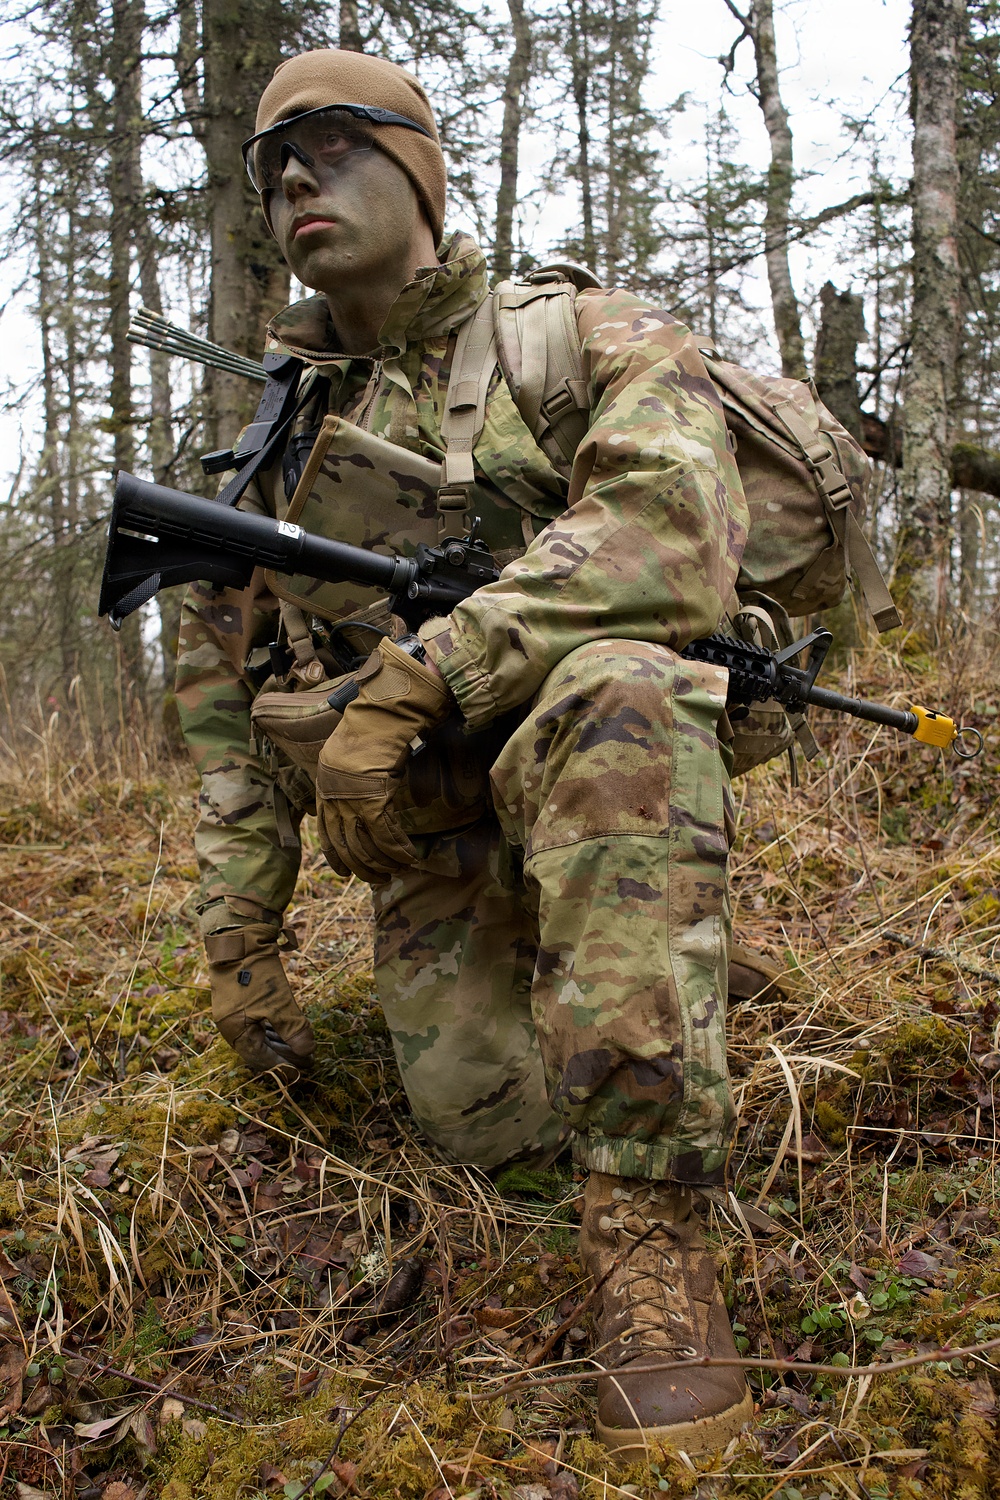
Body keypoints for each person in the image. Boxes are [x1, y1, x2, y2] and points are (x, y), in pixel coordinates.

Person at [175, 47, 753, 1458]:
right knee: (487, 1132)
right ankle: (616, 989)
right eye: (269, 168)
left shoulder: (579, 335)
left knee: (620, 690)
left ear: (419, 165)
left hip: (589, 753)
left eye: (329, 143)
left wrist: (426, 671)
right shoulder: (272, 438)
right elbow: (226, 698)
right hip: (431, 833)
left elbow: (673, 528)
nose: (294, 180)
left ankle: (653, 1259)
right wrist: (238, 940)